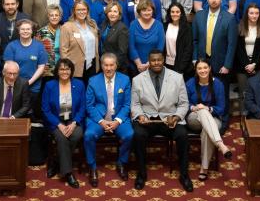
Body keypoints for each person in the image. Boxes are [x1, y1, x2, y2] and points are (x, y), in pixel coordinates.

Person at [131, 49, 192, 192]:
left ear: (163, 60)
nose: (156, 63)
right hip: (147, 120)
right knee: (138, 135)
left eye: (159, 60)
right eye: (153, 60)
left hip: (169, 120)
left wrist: (176, 117)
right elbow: (135, 104)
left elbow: (183, 104)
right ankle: (141, 173)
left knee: (183, 136)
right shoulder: (137, 79)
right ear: (149, 62)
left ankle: (184, 175)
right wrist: (140, 116)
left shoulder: (177, 77)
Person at [84, 53, 134, 186]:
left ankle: (121, 163)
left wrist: (117, 120)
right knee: (89, 135)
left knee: (129, 135)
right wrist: (101, 121)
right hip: (99, 119)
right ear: (102, 66)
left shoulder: (125, 80)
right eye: (106, 65)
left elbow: (127, 105)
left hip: (118, 117)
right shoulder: (93, 81)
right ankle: (92, 167)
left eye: (111, 65)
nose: (109, 68)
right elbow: (89, 105)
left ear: (116, 65)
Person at [41, 58, 85, 188]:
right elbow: (45, 109)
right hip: (56, 121)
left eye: (67, 69)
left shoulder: (79, 84)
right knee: (61, 138)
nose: (65, 71)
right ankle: (68, 173)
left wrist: (74, 122)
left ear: (71, 70)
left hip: (73, 120)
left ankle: (56, 162)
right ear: (57, 71)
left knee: (76, 135)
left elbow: (83, 107)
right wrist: (59, 125)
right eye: (62, 69)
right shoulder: (50, 85)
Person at [186, 59, 232, 181]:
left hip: (214, 118)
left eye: (205, 67)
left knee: (207, 129)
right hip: (193, 118)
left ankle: (204, 168)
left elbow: (221, 108)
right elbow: (184, 104)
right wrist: (195, 107)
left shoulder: (218, 84)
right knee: (201, 110)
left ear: (210, 68)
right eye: (199, 68)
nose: (203, 70)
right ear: (196, 70)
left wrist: (207, 108)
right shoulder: (190, 83)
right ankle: (220, 144)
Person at [192, 0, 237, 97]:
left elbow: (232, 44)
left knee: (222, 93)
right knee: (204, 94)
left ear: (221, 0)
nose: (214, 0)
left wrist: (227, 65)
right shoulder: (199, 16)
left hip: (221, 64)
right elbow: (195, 40)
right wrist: (195, 59)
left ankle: (224, 115)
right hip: (202, 62)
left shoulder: (229, 18)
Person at [2, 20, 47, 106]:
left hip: (33, 86)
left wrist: (28, 83)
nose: (25, 31)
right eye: (22, 29)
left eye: (28, 29)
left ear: (32, 31)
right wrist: (18, 84)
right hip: (14, 85)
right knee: (16, 113)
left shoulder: (39, 46)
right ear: (18, 31)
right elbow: (9, 67)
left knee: (31, 114)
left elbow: (41, 67)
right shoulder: (11, 46)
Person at [235, 4, 260, 107]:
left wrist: (254, 64)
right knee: (243, 94)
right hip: (242, 66)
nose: (254, 16)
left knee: (258, 93)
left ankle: (256, 117)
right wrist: (247, 64)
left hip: (258, 66)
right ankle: (244, 116)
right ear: (247, 14)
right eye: (251, 13)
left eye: (256, 13)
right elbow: (238, 48)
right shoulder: (239, 26)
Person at [60, 0, 100, 80]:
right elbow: (63, 50)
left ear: (87, 11)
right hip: (75, 66)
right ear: (74, 11)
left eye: (84, 9)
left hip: (92, 64)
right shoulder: (67, 27)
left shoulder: (92, 25)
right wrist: (67, 68)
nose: (81, 12)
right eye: (78, 10)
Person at [128, 0, 166, 74]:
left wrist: (149, 64)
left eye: (149, 10)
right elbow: (131, 46)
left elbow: (160, 47)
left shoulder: (159, 25)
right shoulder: (133, 24)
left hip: (155, 65)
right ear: (139, 11)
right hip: (136, 66)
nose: (147, 13)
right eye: (144, 10)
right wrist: (139, 64)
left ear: (153, 11)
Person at [99, 1, 130, 74]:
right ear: (107, 13)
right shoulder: (104, 24)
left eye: (115, 11)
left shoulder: (122, 28)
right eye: (110, 11)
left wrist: (112, 66)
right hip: (104, 63)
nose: (112, 14)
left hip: (117, 66)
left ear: (119, 14)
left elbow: (122, 52)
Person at [164, 2, 194, 77]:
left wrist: (181, 68)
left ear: (181, 13)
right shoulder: (165, 26)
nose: (175, 14)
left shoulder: (187, 28)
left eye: (177, 12)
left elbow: (188, 49)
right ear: (169, 13)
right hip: (166, 64)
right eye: (172, 12)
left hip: (181, 66)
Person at [36, 5, 63, 85]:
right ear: (48, 16)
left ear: (60, 17)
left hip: (62, 70)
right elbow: (37, 51)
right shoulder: (41, 32)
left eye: (56, 15)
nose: (54, 17)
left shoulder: (65, 30)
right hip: (46, 71)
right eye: (51, 15)